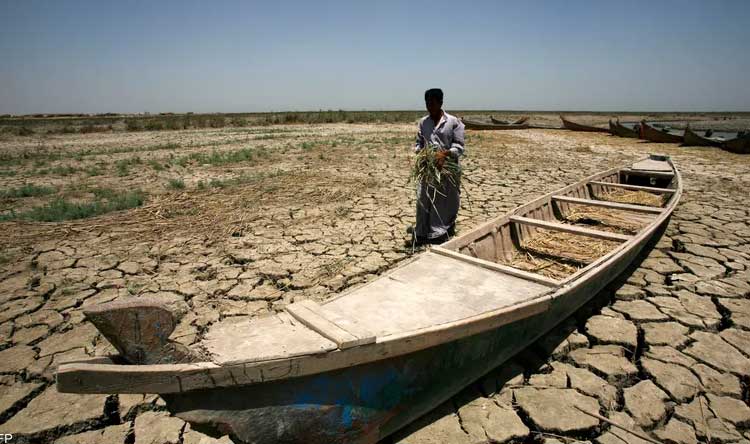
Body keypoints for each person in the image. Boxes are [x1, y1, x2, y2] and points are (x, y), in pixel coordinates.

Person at [411, 88, 465, 245]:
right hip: (428, 169)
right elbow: (419, 143)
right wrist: (422, 154)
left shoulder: (453, 122)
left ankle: (441, 230)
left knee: (444, 200)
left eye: (432, 103)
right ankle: (421, 232)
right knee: (423, 198)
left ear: (440, 103)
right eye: (427, 103)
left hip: (447, 169)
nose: (429, 107)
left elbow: (459, 146)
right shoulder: (424, 122)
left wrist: (445, 154)